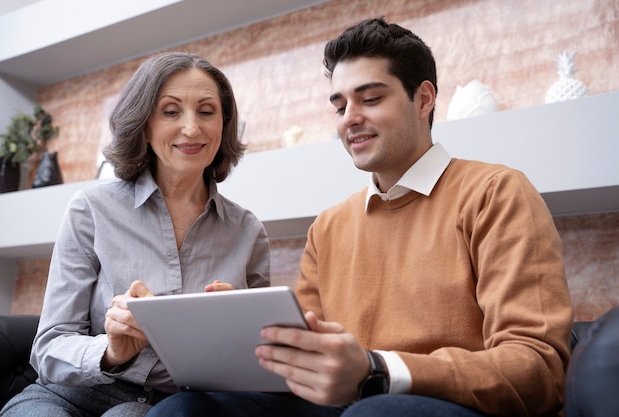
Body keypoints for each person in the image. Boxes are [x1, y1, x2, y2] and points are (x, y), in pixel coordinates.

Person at [144, 17, 573, 417]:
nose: (350, 119)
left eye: (370, 98)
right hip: (347, 407)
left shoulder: (495, 193)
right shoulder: (329, 227)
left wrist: (377, 370)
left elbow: (537, 368)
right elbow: (306, 358)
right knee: (185, 409)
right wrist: (239, 333)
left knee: (375, 411)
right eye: (339, 106)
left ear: (423, 99)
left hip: (440, 404)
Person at [0, 52, 270, 417]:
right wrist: (111, 352)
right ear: (144, 124)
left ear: (224, 125)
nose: (192, 128)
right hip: (68, 393)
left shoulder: (247, 231)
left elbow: (259, 363)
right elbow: (49, 347)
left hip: (171, 405)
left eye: (206, 112)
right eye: (171, 112)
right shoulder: (91, 208)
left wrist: (237, 333)